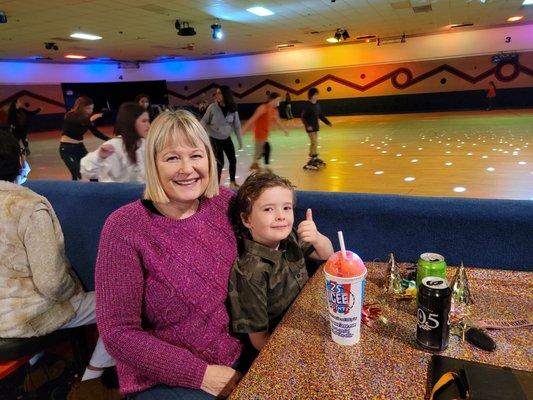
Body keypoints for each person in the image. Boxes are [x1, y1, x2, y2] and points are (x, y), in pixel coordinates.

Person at [95, 110, 245, 400]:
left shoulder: (226, 204)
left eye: (196, 155)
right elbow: (117, 333)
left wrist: (317, 247)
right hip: (161, 378)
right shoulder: (123, 227)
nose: (187, 169)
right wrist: (201, 375)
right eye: (172, 157)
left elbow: (272, 243)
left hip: (237, 354)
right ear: (153, 164)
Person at [0, 130, 117, 398]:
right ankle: (91, 384)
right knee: (118, 301)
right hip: (24, 320)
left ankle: (36, 368)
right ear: (18, 159)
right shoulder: (28, 205)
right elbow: (51, 282)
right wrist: (73, 294)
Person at [228, 171, 333, 351]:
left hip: (313, 315)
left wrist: (316, 237)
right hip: (286, 341)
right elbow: (259, 340)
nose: (281, 216)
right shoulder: (250, 273)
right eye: (268, 209)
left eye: (286, 208)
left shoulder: (290, 237)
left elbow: (327, 255)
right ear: (247, 219)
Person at [80, 102, 150, 183]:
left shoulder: (144, 143)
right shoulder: (113, 146)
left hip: (141, 192)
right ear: (130, 122)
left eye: (148, 121)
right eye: (144, 121)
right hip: (119, 193)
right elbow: (87, 171)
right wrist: (99, 157)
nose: (148, 125)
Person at [201, 85, 243, 188]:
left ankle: (232, 182)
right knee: (220, 164)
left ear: (226, 95)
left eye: (219, 93)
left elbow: (237, 125)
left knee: (233, 160)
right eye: (216, 93)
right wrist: (198, 134)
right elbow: (204, 121)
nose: (217, 95)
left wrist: (240, 140)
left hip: (226, 138)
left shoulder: (232, 108)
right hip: (215, 139)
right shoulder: (212, 107)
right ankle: (217, 186)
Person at [59, 96, 111, 180]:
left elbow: (96, 132)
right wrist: (90, 120)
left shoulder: (87, 119)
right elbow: (78, 122)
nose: (91, 111)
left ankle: (97, 191)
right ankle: (74, 189)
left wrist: (110, 139)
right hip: (67, 149)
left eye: (92, 108)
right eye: (88, 108)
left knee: (92, 173)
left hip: (80, 148)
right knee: (78, 174)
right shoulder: (70, 115)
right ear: (81, 107)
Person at [241, 92, 289, 171]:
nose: (279, 102)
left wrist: (284, 130)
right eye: (277, 100)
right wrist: (245, 128)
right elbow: (253, 118)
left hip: (265, 133)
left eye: (279, 100)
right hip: (259, 133)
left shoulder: (274, 110)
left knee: (263, 150)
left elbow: (278, 121)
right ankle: (256, 165)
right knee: (263, 150)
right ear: (272, 100)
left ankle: (257, 164)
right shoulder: (263, 108)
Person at [301, 88, 332, 170]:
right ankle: (312, 158)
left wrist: (327, 122)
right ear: (311, 95)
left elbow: (320, 115)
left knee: (315, 142)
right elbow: (303, 117)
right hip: (310, 127)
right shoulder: (307, 106)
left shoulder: (317, 105)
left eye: (317, 94)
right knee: (314, 142)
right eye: (314, 94)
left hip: (315, 127)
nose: (316, 96)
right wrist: (307, 125)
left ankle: (314, 157)